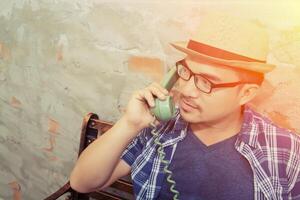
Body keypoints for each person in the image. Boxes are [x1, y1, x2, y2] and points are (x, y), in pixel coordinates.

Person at [69, 13, 300, 200]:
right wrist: (130, 123)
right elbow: (82, 183)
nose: (186, 91)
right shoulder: (159, 128)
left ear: (246, 93)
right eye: (186, 72)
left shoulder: (285, 150)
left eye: (207, 82)